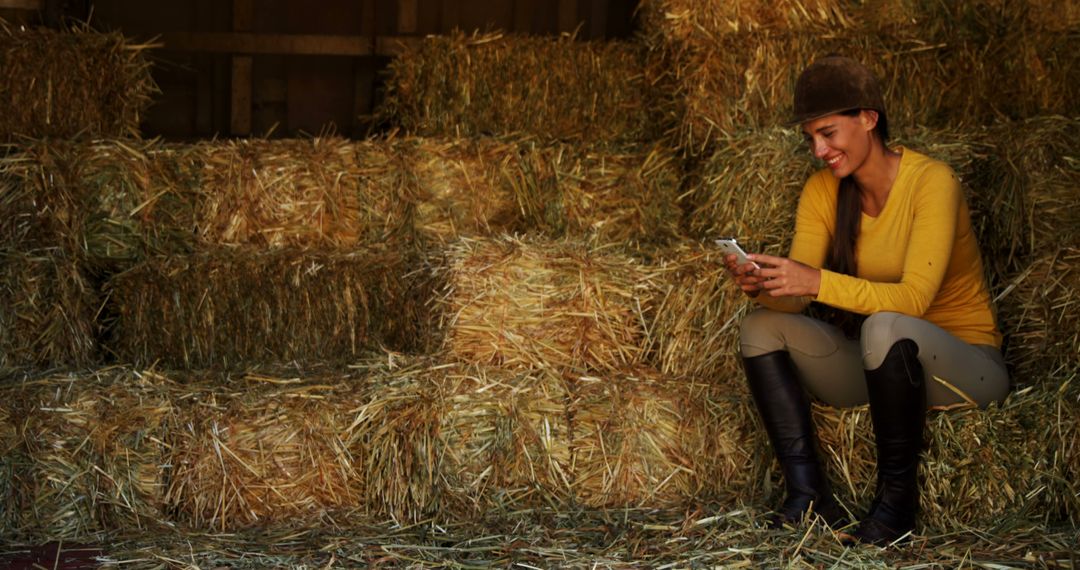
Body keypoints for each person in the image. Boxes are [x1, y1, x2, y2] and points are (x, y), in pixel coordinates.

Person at [723, 55, 1010, 546]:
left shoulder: (931, 182)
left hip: (966, 367)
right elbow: (799, 297)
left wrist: (814, 281)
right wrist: (770, 285)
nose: (818, 149)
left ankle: (897, 507)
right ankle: (808, 497)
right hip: (886, 371)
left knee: (885, 323)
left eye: (828, 133)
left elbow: (913, 300)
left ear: (868, 119)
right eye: (811, 137)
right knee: (760, 326)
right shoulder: (822, 192)